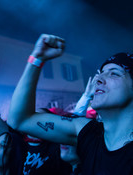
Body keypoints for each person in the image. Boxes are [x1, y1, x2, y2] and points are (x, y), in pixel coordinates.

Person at [7, 34, 133, 174]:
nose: (98, 79)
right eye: (101, 73)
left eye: (114, 73)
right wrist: (37, 59)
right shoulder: (88, 132)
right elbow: (20, 120)